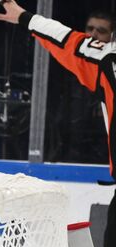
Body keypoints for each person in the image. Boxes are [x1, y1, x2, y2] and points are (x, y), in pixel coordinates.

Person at [0, 1, 116, 247]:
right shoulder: (108, 60)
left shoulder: (108, 60)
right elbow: (70, 41)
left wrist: (26, 18)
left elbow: (68, 41)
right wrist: (26, 18)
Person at [43, 9, 113, 165]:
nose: (93, 35)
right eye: (90, 29)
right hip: (69, 157)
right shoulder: (67, 73)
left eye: (101, 31)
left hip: (103, 161)